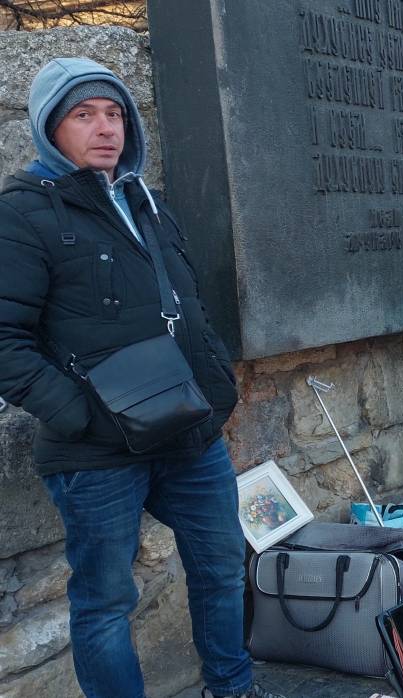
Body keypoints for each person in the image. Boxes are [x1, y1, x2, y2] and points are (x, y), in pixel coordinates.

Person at [0, 58, 280, 698]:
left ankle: (231, 689)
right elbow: (4, 341)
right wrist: (78, 414)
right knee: (104, 603)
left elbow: (189, 305)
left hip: (189, 435)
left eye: (114, 113)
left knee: (219, 569)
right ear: (49, 126)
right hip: (96, 452)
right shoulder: (22, 213)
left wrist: (216, 393)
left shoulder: (146, 201)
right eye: (83, 114)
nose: (105, 128)